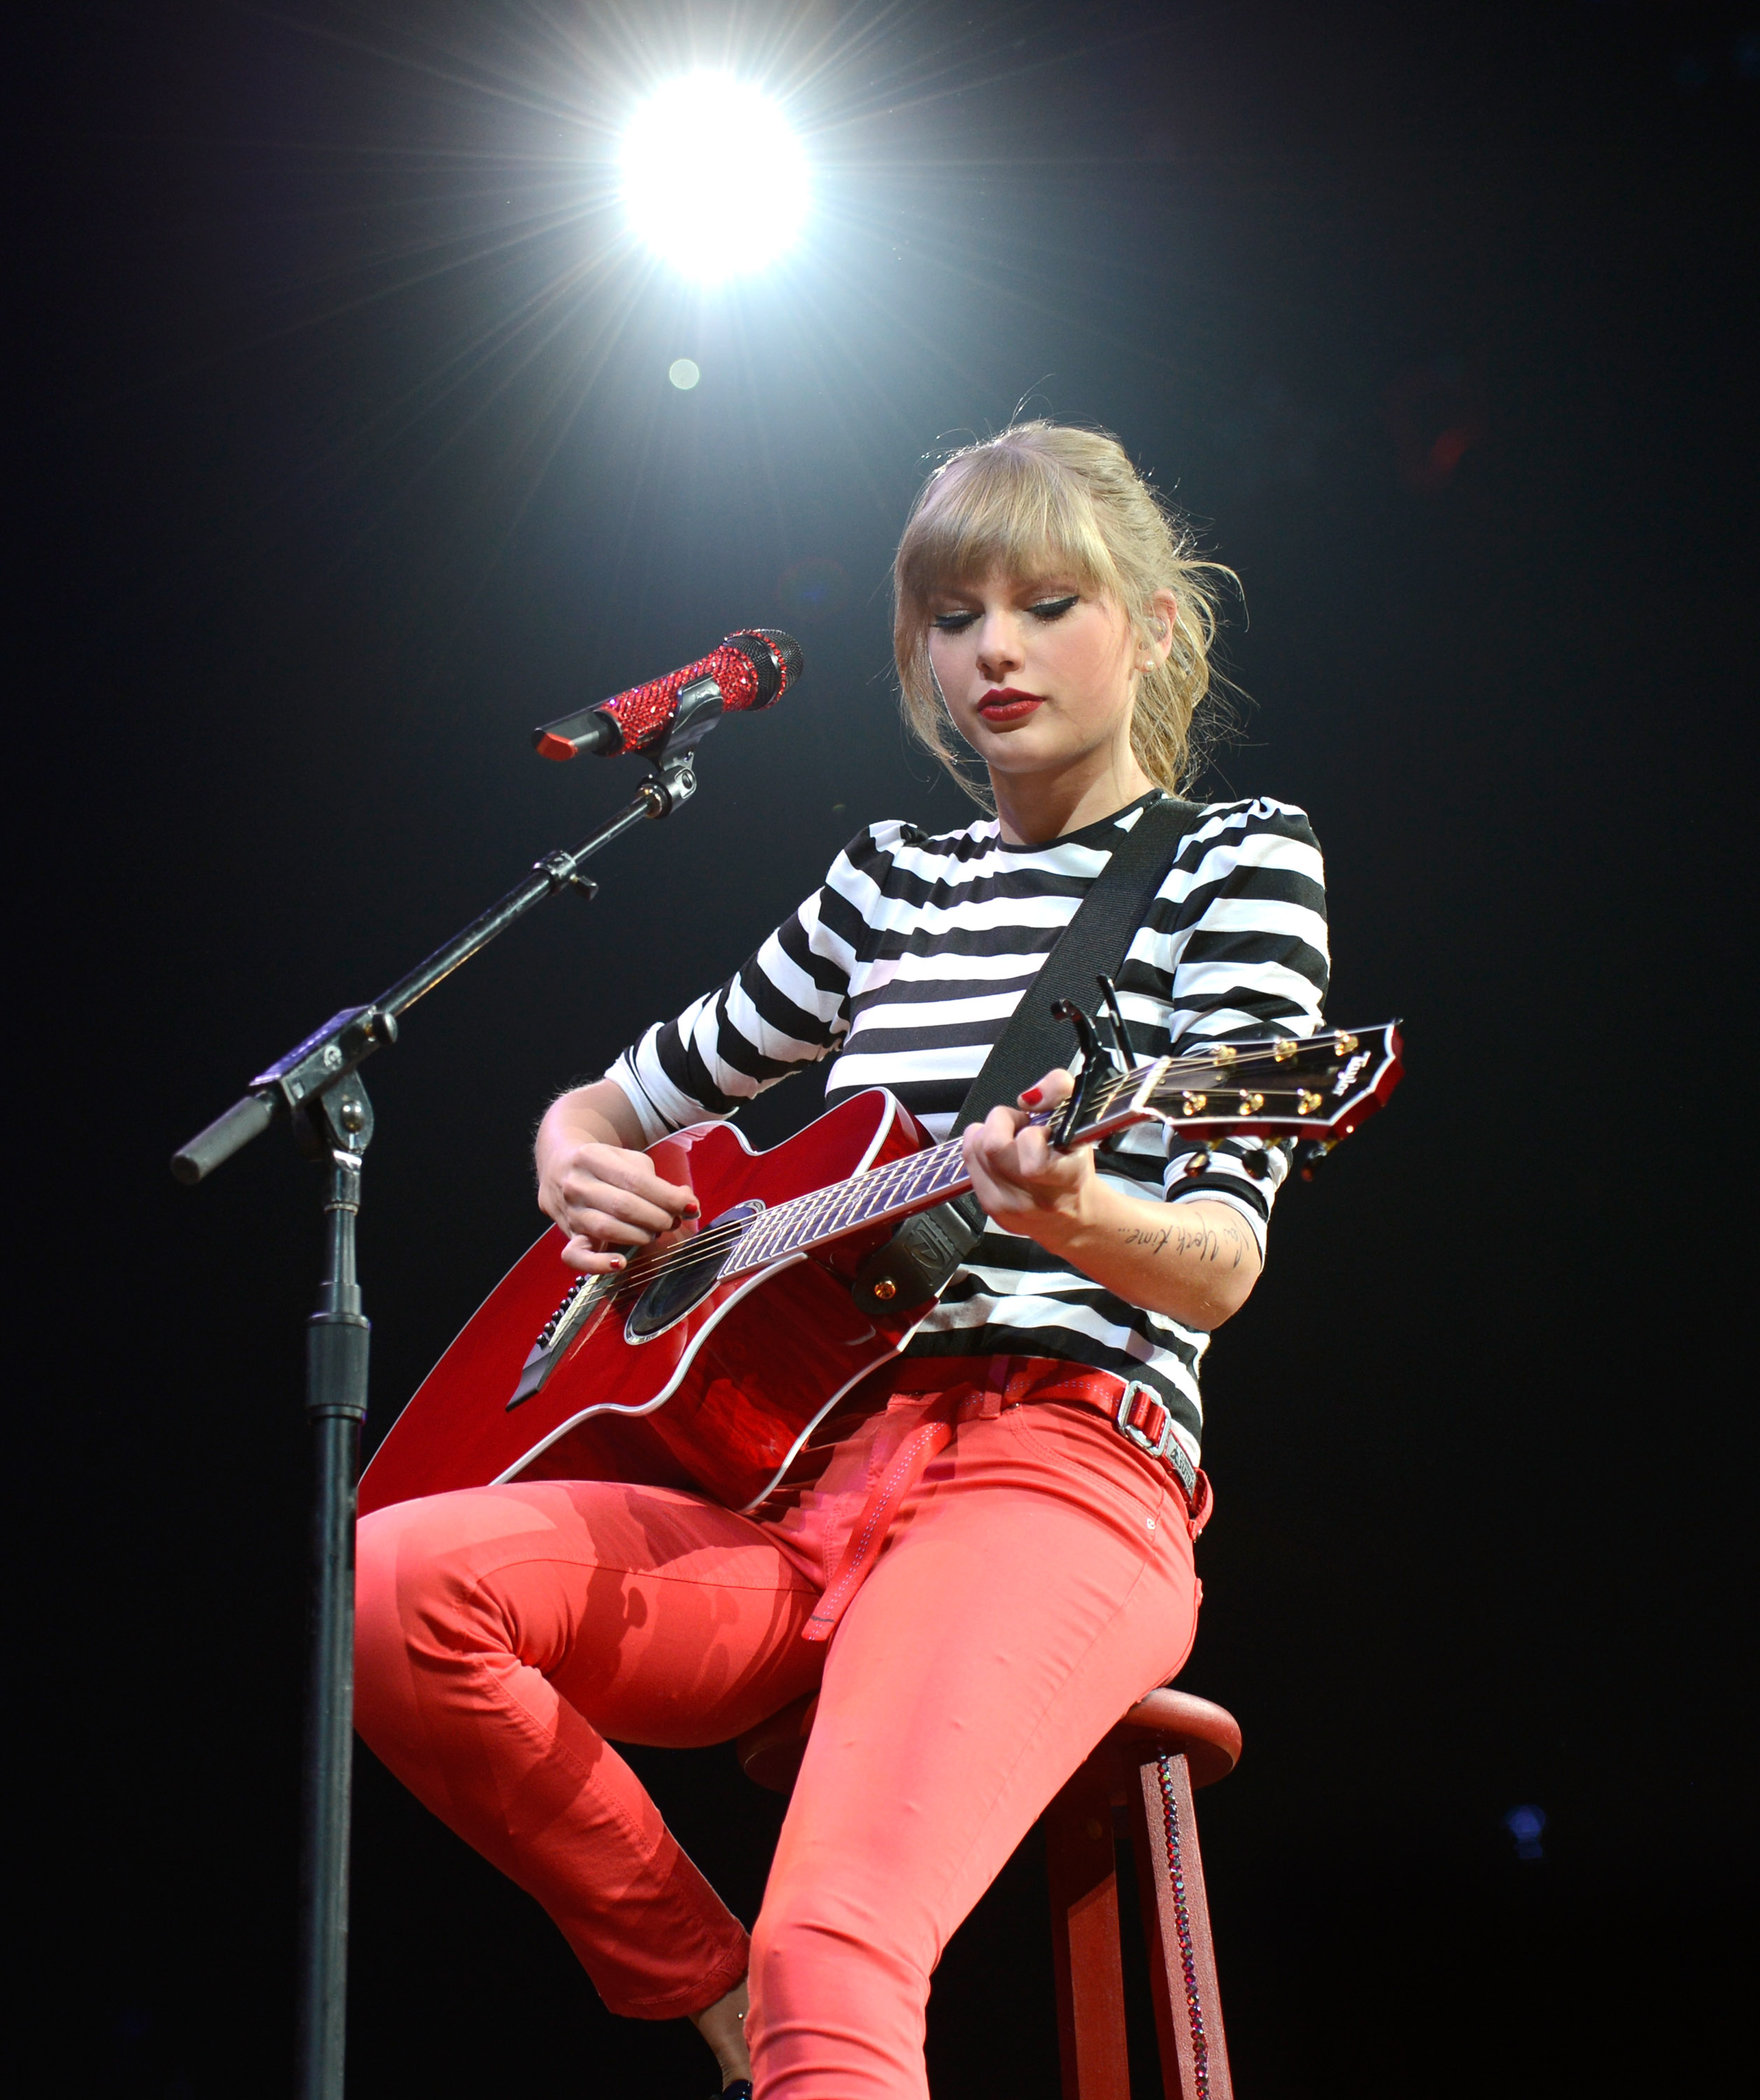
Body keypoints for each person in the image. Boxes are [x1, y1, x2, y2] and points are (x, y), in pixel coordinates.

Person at [354, 421, 1330, 2099]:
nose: (995, 649)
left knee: (842, 1945)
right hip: (803, 1487)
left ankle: (786, 2001)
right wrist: (582, 1175)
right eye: (955, 616)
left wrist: (1070, 1209)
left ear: (1155, 623)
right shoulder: (888, 882)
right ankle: (701, 1987)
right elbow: (605, 1102)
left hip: (1061, 1470)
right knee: (385, 1594)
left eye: (1046, 601)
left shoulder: (1233, 861)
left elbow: (1221, 1266)